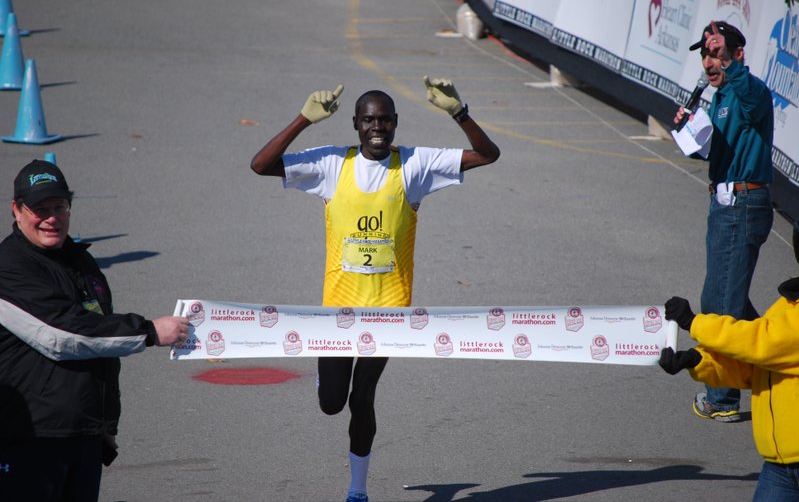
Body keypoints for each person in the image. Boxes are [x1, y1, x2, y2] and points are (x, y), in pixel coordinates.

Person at [250, 77, 500, 502]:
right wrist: (303, 119)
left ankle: (357, 490)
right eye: (369, 121)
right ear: (356, 124)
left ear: (396, 123)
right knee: (332, 402)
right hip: (337, 313)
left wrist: (459, 112)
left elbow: (487, 155)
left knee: (362, 399)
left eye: (385, 120)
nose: (377, 128)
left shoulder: (415, 166)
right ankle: (326, 382)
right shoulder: (332, 165)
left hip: (388, 313)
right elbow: (261, 164)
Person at [0, 159, 189, 502]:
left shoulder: (77, 258)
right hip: (31, 438)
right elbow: (62, 335)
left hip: (83, 434)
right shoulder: (9, 267)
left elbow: (100, 344)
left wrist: (105, 424)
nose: (52, 217)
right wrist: (148, 332)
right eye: (40, 209)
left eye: (59, 206)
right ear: (17, 209)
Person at [673, 20, 774, 422]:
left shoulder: (749, 91)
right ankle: (783, 359)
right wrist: (689, 133)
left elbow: (750, 95)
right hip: (724, 203)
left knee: (721, 304)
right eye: (706, 54)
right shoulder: (715, 98)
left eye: (717, 53)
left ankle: (723, 397)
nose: (710, 60)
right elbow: (714, 152)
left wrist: (731, 65)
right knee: (727, 299)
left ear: (736, 56)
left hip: (743, 203)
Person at [658, 243, 799, 501]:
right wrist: (697, 360)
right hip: (780, 463)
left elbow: (763, 342)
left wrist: (694, 323)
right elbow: (755, 369)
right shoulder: (787, 305)